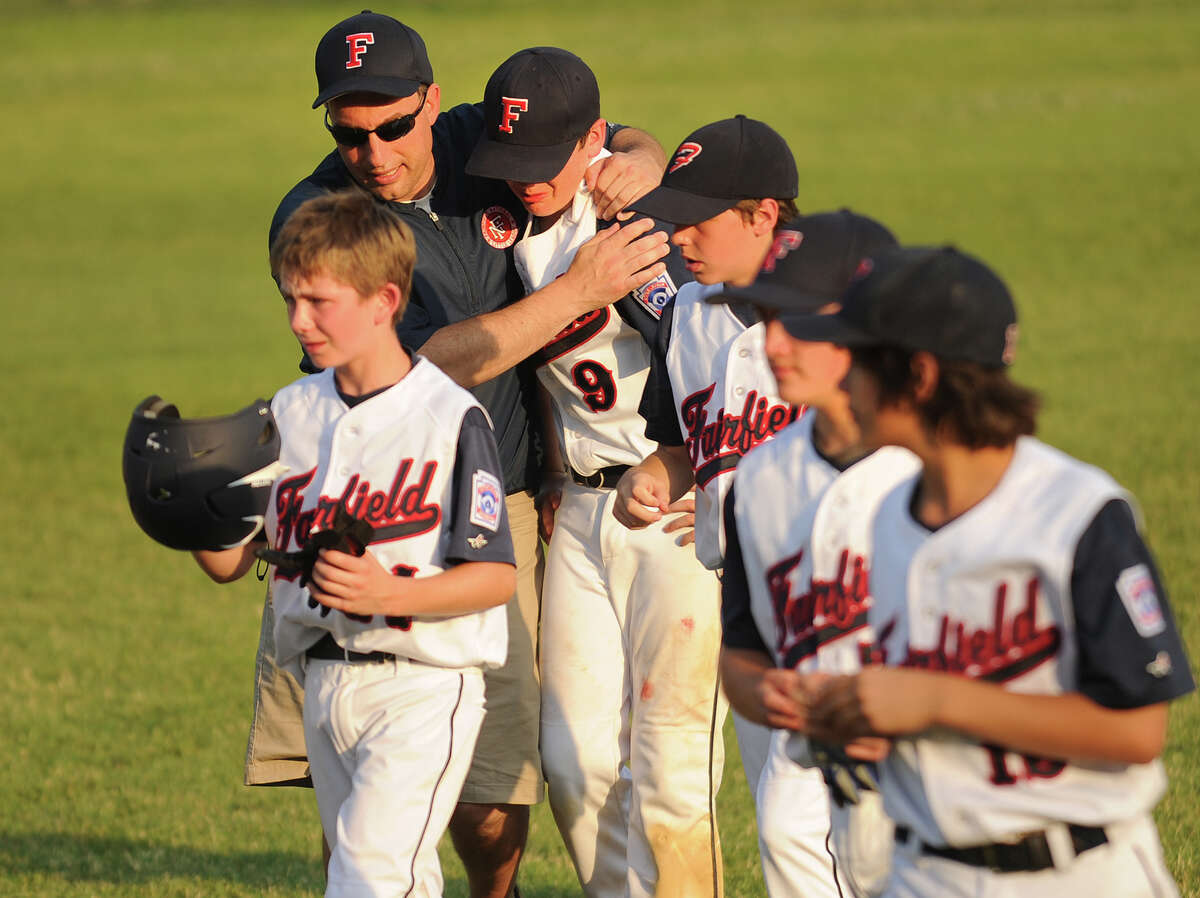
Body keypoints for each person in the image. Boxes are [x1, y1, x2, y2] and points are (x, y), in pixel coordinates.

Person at [254, 13, 671, 896]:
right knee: (355, 785)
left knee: (494, 789)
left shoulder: (486, 137)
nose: (372, 151)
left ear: (431, 102)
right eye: (347, 131)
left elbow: (597, 130)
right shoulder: (321, 215)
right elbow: (421, 364)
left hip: (497, 501)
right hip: (363, 511)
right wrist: (578, 292)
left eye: (393, 125)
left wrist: (641, 153)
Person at [788, 245, 1195, 897]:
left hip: (1077, 873)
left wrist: (935, 700)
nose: (843, 384)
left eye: (859, 362)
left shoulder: (1077, 514)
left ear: (917, 376)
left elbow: (1138, 730)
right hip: (924, 873)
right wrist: (860, 718)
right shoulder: (891, 514)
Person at [195, 189, 518, 896]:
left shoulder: (447, 417)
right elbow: (231, 562)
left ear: (383, 300)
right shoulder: (291, 413)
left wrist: (391, 592)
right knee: (362, 872)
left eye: (318, 301)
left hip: (423, 685)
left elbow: (494, 578)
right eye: (289, 300)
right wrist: (192, 514)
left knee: (376, 877)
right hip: (323, 681)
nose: (298, 320)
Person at [464, 47, 723, 898]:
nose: (527, 179)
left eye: (547, 160)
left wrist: (693, 457)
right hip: (577, 513)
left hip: (670, 520)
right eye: (514, 162)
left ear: (595, 142)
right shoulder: (509, 219)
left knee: (672, 774)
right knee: (575, 770)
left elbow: (711, 348)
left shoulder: (637, 219)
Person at [608, 116, 813, 895]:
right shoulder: (689, 316)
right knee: (785, 821)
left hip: (845, 602)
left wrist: (756, 504)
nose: (679, 239)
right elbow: (688, 443)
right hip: (746, 607)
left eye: (699, 220)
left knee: (810, 831)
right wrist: (658, 476)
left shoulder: (842, 314)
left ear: (764, 215)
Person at [711, 209, 915, 897]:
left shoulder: (951, 470)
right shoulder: (760, 478)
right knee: (787, 828)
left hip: (955, 780)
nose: (771, 343)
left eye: (797, 320)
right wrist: (760, 687)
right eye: (765, 316)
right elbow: (742, 643)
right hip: (814, 754)